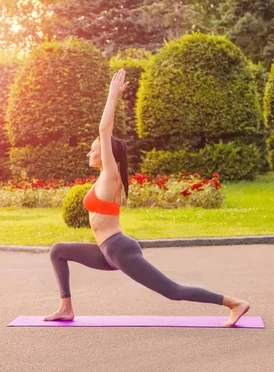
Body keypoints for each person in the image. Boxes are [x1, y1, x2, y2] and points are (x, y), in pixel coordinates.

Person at [44, 69, 250, 327]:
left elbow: (104, 128)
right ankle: (65, 308)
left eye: (93, 148)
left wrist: (112, 96)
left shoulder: (111, 175)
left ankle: (234, 303)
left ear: (107, 154)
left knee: (173, 291)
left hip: (119, 248)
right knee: (58, 251)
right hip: (105, 251)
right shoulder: (102, 178)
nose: (89, 152)